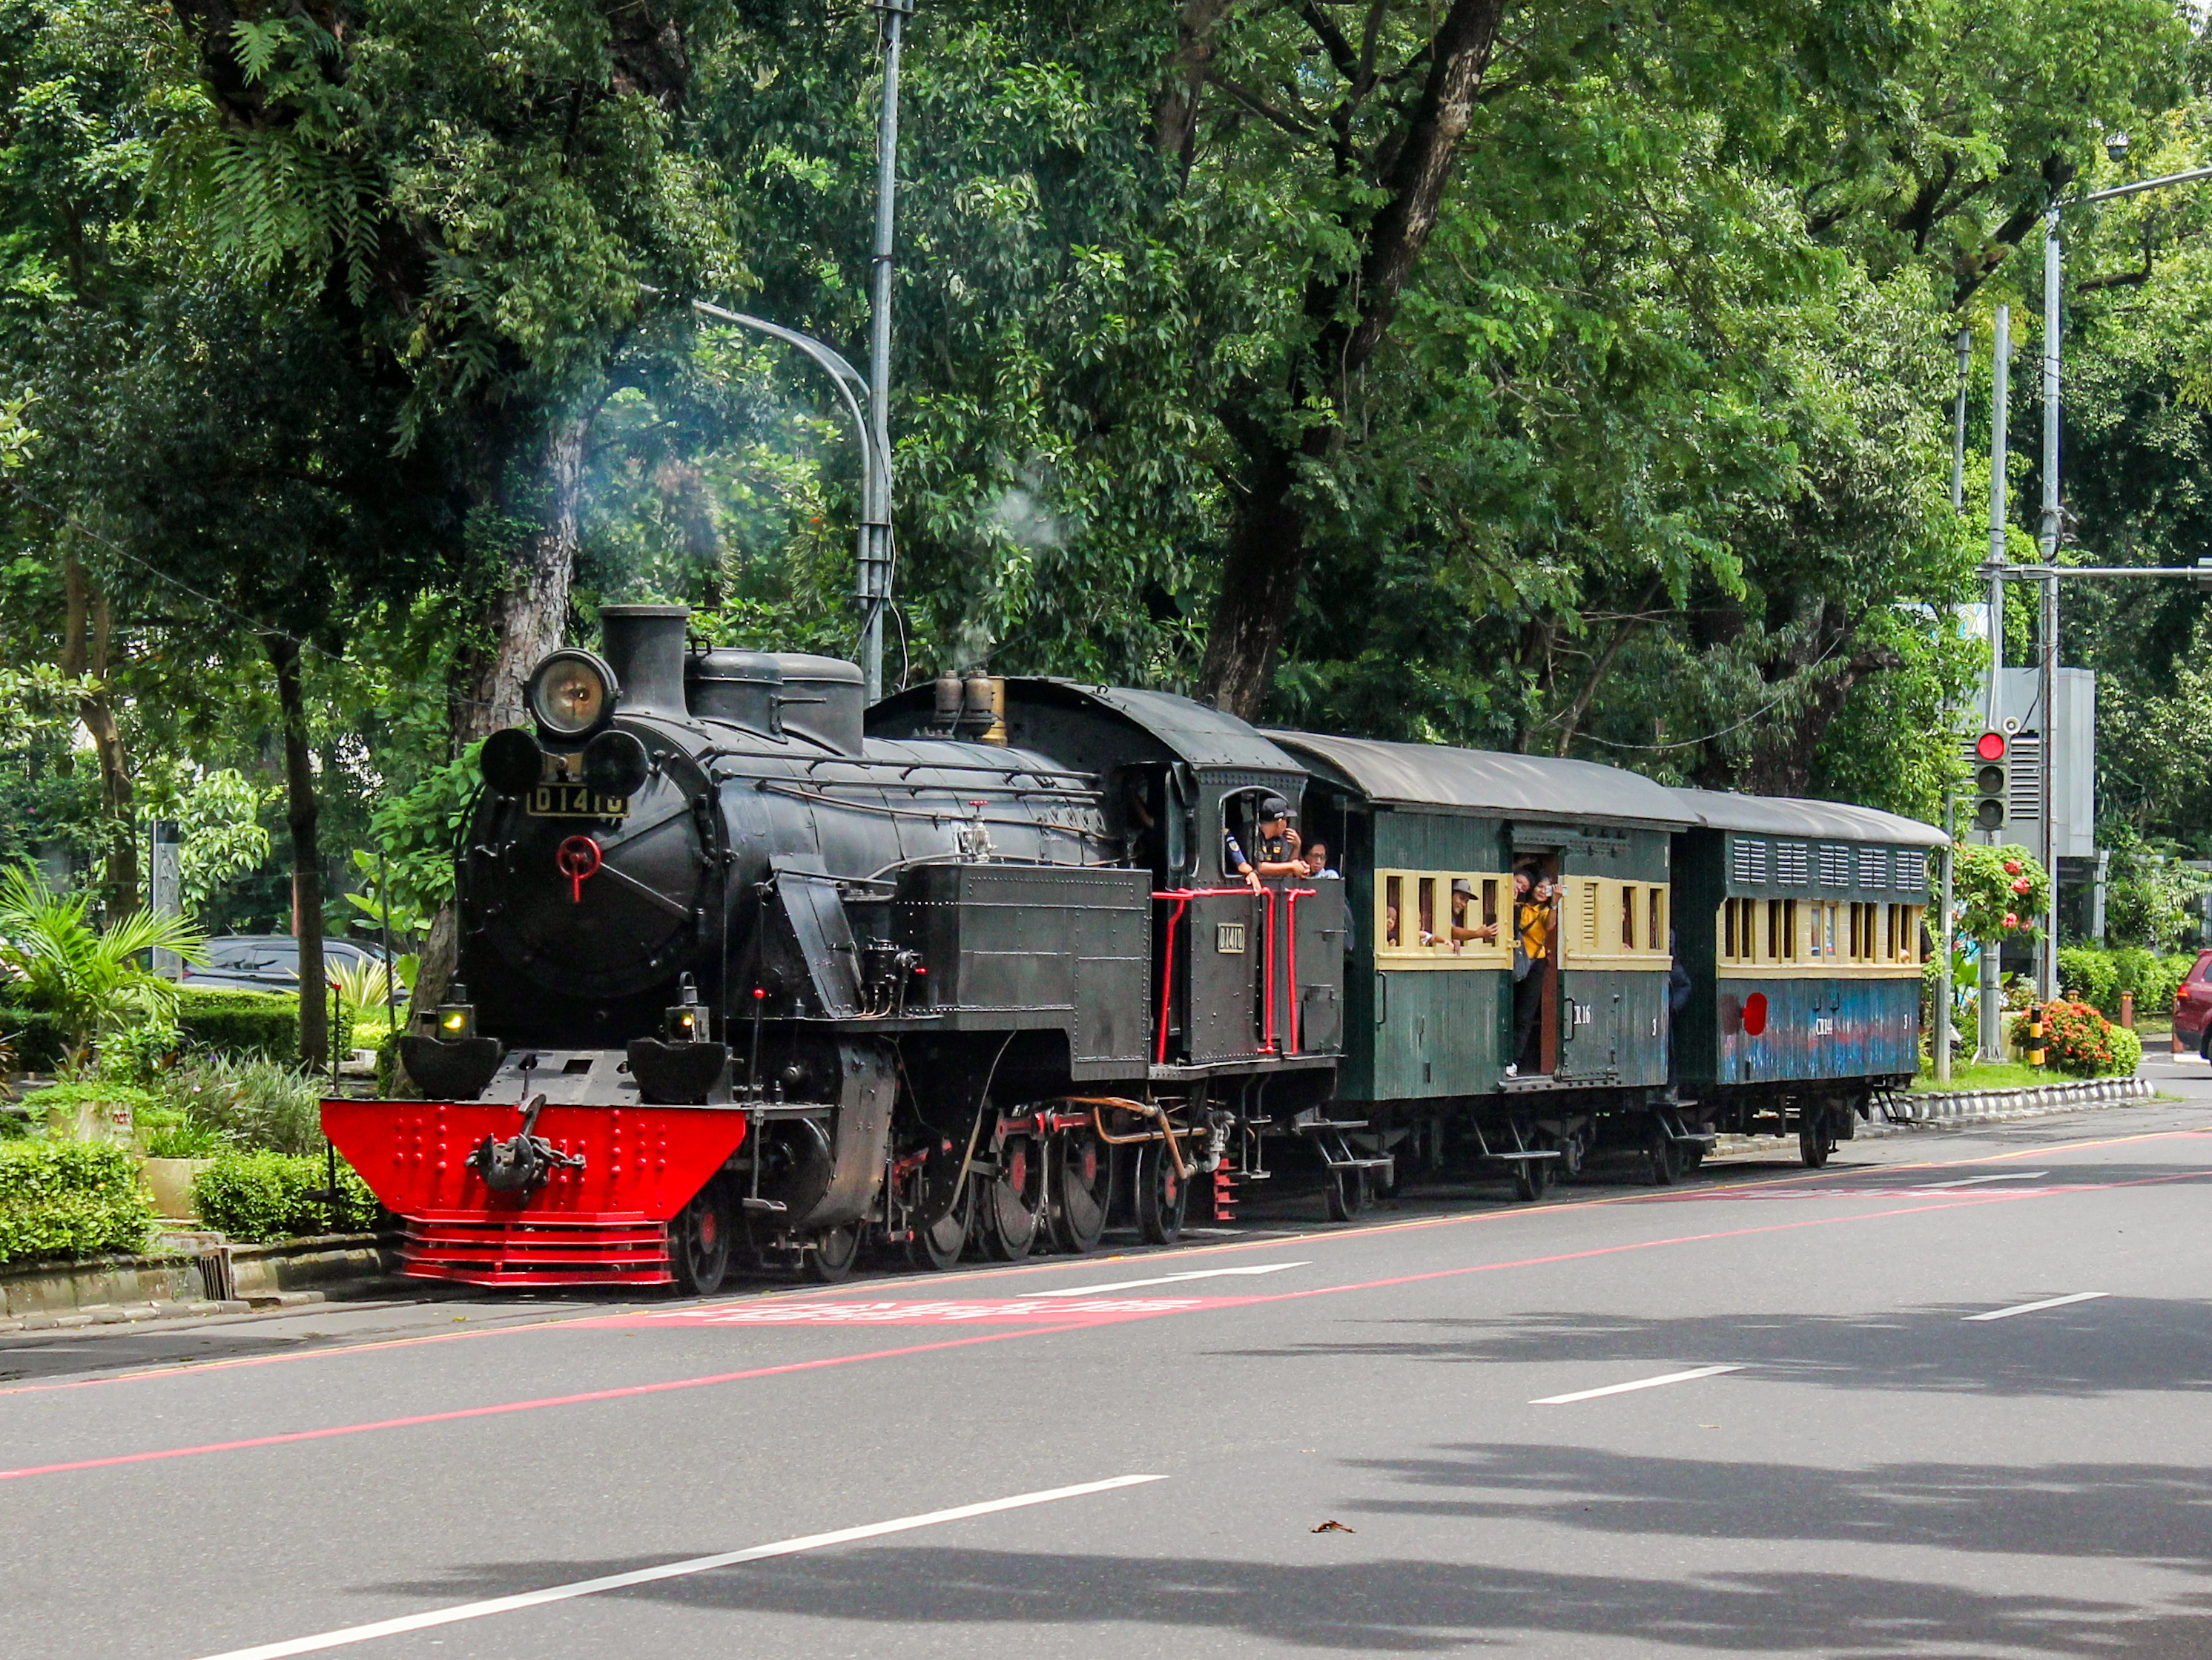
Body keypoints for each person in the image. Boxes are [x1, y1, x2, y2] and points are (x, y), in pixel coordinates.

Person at [1508, 866, 1556, 1076]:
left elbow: (1549, 926)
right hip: (1513, 959)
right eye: (1539, 886)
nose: (1541, 891)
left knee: (1524, 1015)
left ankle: (1514, 1061)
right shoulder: (1520, 906)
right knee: (1508, 1009)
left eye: (1547, 889)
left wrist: (1555, 903)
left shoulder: (1546, 911)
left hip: (1535, 963)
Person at [1226, 796, 1303, 892]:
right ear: (1280, 822)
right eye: (1286, 819)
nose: (1287, 823)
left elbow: (1286, 871)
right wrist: (1292, 867)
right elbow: (1259, 867)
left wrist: (1297, 847)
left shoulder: (1279, 838)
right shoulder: (1250, 832)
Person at [1423, 877, 1497, 952]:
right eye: (1461, 898)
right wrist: (1478, 934)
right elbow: (1451, 931)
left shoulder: (1454, 916)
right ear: (1451, 895)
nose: (1464, 904)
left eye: (1466, 901)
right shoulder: (1439, 910)